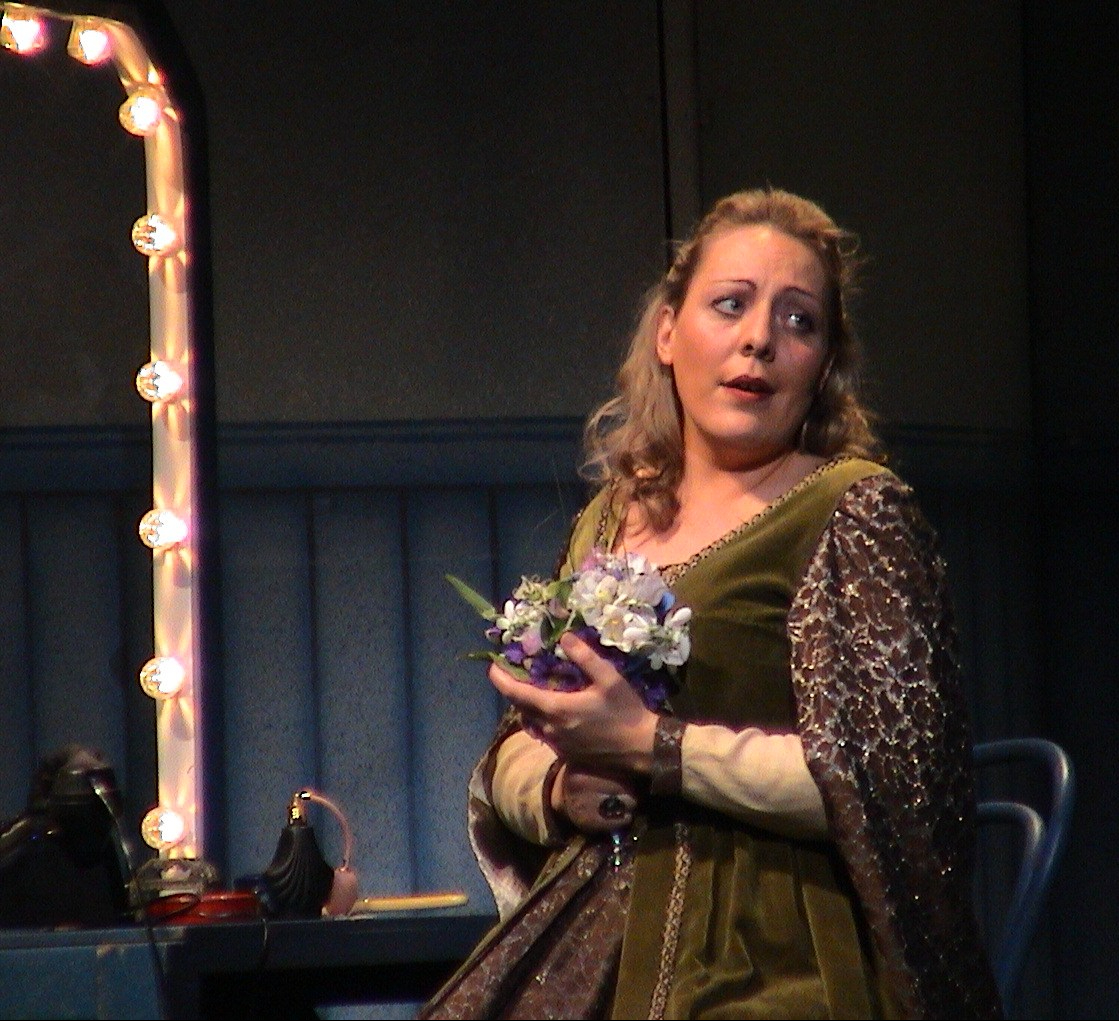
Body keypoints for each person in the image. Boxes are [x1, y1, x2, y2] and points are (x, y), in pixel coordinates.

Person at [417, 187, 1003, 1020]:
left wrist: (656, 747)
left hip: (775, 934)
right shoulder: (610, 515)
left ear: (822, 365)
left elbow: (895, 780)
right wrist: (557, 787)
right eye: (731, 304)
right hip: (601, 914)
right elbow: (516, 743)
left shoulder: (853, 509)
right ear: (667, 332)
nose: (759, 338)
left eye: (799, 321)